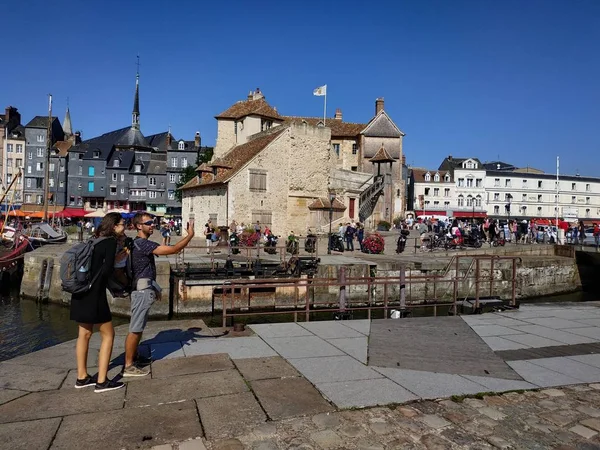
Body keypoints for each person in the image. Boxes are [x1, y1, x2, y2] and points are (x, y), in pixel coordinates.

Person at [122, 213, 196, 377]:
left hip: (141, 289)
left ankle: (134, 357)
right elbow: (174, 249)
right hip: (141, 292)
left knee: (138, 327)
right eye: (149, 223)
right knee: (135, 328)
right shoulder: (143, 244)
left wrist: (154, 288)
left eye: (153, 222)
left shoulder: (137, 244)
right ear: (139, 226)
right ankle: (128, 366)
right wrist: (190, 235)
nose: (153, 225)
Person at [70, 212, 126, 393]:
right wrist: (118, 259)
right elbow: (107, 270)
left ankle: (82, 377)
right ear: (115, 226)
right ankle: (102, 381)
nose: (124, 227)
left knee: (83, 334)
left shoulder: (93, 240)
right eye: (122, 224)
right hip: (95, 294)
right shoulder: (110, 242)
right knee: (108, 335)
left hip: (80, 291)